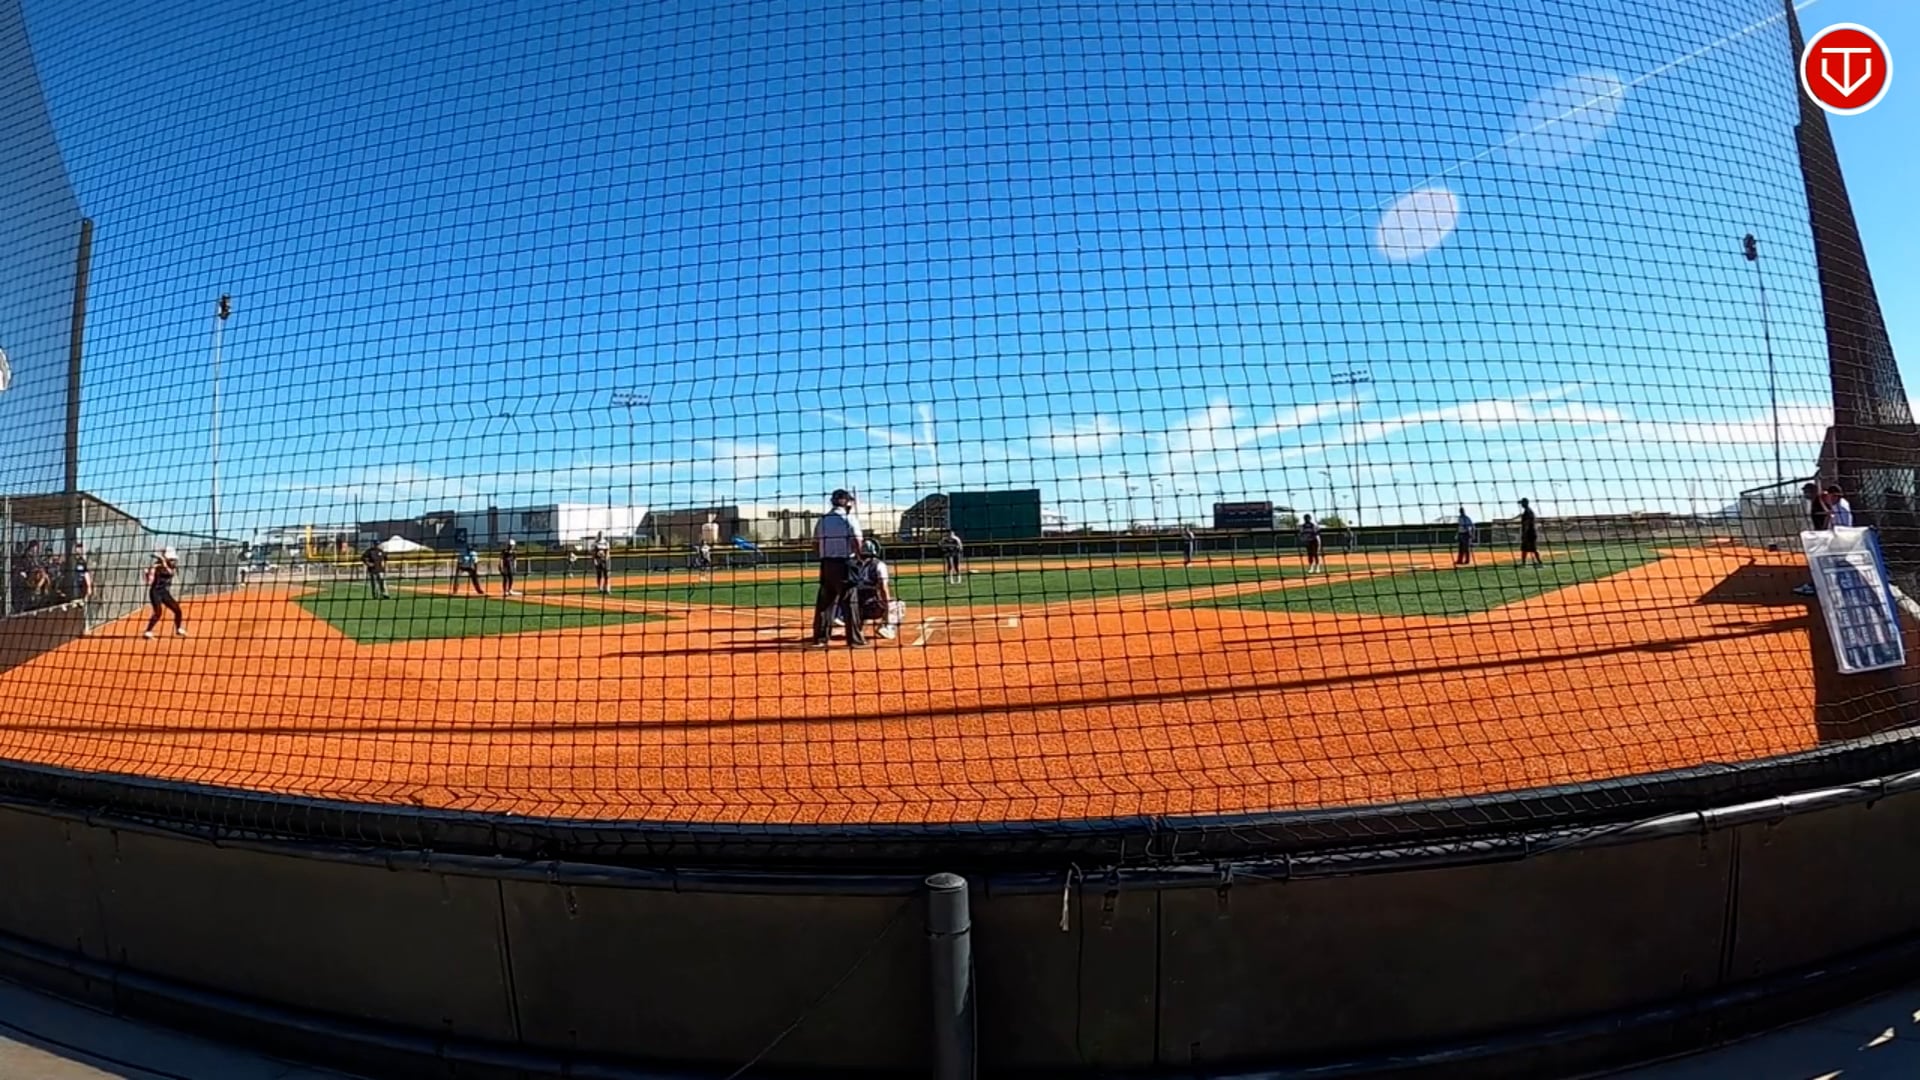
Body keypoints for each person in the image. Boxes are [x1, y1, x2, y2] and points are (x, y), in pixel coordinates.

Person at [810, 488, 866, 648]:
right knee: (850, 602)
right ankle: (854, 640)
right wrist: (860, 558)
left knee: (824, 603)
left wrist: (824, 555)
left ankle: (820, 639)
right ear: (845, 501)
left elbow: (815, 543)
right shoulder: (849, 518)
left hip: (827, 564)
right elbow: (857, 541)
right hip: (845, 564)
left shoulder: (823, 519)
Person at [852, 539, 903, 640]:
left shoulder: (853, 564)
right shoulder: (879, 564)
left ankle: (857, 627)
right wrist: (887, 605)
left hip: (853, 608)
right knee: (899, 604)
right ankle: (887, 627)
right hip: (872, 607)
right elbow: (883, 587)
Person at [1793, 482, 1832, 597]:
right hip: (1821, 535)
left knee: (1817, 562)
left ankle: (1815, 587)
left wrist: (1823, 533)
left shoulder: (1819, 501)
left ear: (1813, 491)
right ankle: (1817, 585)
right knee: (1818, 562)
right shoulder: (1816, 502)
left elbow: (1828, 515)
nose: (1805, 494)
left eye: (1807, 491)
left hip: (1823, 537)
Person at [142, 547, 185, 639]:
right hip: (155, 592)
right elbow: (149, 581)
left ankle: (178, 629)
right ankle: (148, 631)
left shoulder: (171, 567)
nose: (173, 561)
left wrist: (163, 561)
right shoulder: (156, 566)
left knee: (177, 610)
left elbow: (170, 573)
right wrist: (147, 573)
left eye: (173, 559)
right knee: (158, 612)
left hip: (164, 592)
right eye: (171, 559)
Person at [1517, 498, 1543, 567]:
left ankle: (1540, 563)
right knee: (1524, 548)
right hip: (1529, 533)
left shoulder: (1528, 511)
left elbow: (1527, 523)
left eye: (1522, 503)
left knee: (1533, 548)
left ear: (1526, 503)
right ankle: (1524, 563)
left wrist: (1525, 533)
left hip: (1530, 533)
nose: (1521, 505)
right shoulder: (1527, 511)